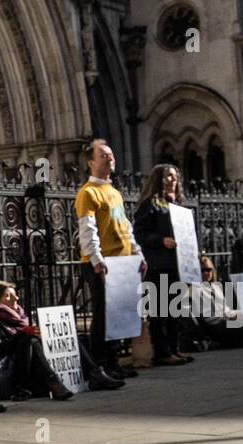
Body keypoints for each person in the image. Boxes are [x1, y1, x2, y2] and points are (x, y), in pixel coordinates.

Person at [0, 281, 122, 401]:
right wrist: (22, 335)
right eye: (8, 296)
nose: (16, 298)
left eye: (15, 295)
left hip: (30, 358)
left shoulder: (19, 317)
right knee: (29, 340)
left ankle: (94, 374)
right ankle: (53, 382)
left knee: (71, 337)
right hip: (8, 366)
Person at [75, 138, 147, 378]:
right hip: (102, 264)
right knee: (102, 316)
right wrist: (96, 259)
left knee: (118, 315)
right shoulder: (88, 193)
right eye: (103, 155)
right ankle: (101, 366)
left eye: (111, 154)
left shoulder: (113, 192)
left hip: (123, 262)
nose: (110, 158)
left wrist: (138, 253)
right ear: (90, 161)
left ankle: (114, 362)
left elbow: (124, 225)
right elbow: (88, 228)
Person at [132, 163, 194, 366]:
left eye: (175, 176)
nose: (171, 180)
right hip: (158, 265)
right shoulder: (150, 204)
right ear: (158, 179)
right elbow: (139, 234)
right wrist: (161, 241)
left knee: (174, 310)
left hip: (178, 264)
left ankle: (174, 349)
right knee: (159, 311)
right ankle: (162, 352)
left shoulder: (179, 205)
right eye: (167, 176)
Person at [193, 255, 243, 348]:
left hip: (224, 318)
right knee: (239, 325)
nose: (206, 273)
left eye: (209, 270)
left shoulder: (215, 286)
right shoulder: (195, 289)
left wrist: (240, 313)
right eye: (203, 270)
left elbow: (225, 309)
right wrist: (231, 316)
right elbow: (209, 316)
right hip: (214, 324)